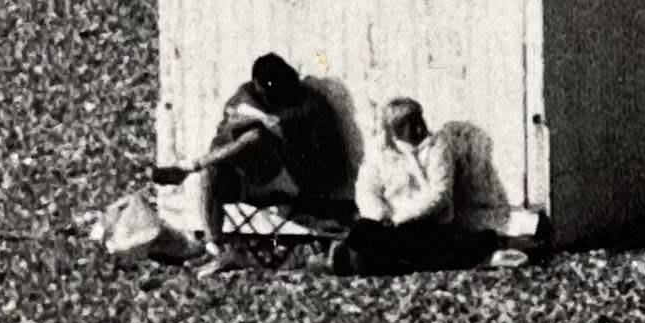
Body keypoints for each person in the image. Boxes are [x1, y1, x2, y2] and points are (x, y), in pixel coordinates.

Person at [158, 52, 344, 271]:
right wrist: (240, 123)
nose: (263, 97)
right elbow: (222, 136)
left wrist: (281, 133)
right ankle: (214, 248)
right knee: (213, 172)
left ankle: (192, 166)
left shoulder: (309, 104)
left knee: (256, 137)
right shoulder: (247, 96)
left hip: (293, 181)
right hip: (254, 181)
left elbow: (327, 165)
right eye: (260, 91)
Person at [333, 96, 470, 274]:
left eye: (419, 120)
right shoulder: (380, 150)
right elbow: (367, 187)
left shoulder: (437, 146)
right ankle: (373, 260)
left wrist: (400, 218)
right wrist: (380, 215)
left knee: (409, 241)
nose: (419, 128)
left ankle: (369, 261)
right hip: (387, 223)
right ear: (393, 129)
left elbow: (439, 194)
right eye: (408, 124)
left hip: (423, 221)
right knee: (363, 229)